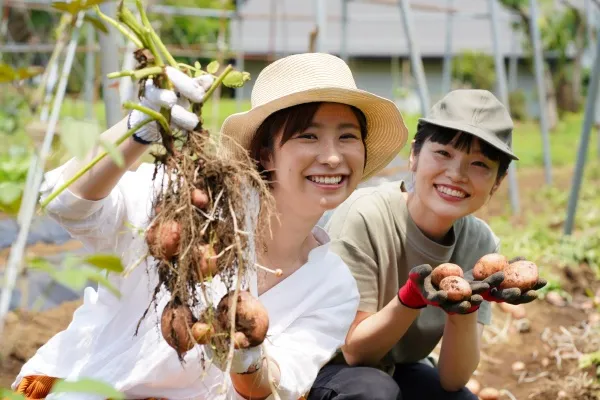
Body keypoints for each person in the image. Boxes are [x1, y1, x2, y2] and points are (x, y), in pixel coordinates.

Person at [9, 52, 409, 400]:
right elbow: (66, 202)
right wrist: (139, 128)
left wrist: (248, 356)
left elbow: (274, 387)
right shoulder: (189, 202)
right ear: (266, 154)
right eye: (308, 135)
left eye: (347, 137)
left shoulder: (333, 285)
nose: (333, 157)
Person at [307, 89, 547, 400]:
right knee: (375, 392)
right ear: (414, 156)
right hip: (320, 370)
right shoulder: (365, 216)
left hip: (396, 367)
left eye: (479, 165)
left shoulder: (481, 243)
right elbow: (355, 353)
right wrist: (411, 299)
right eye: (444, 153)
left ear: (497, 183)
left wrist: (469, 306)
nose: (457, 174)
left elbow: (453, 379)